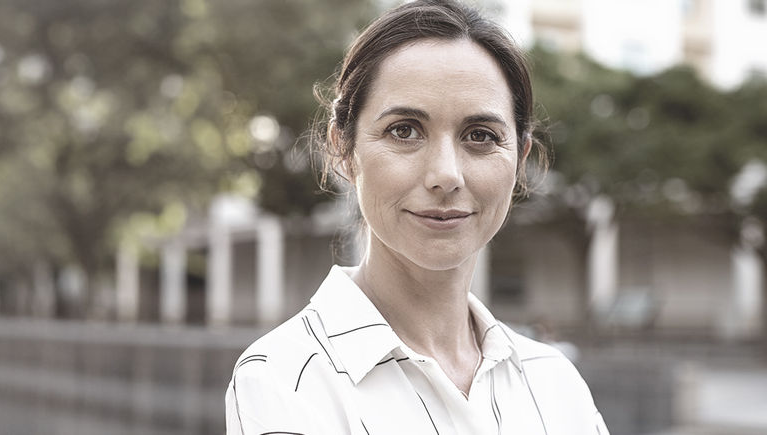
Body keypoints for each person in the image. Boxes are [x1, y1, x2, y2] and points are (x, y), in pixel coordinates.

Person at [224, 1, 609, 434]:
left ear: (519, 159)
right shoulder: (286, 377)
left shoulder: (556, 383)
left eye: (480, 136)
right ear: (343, 150)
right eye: (404, 130)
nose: (446, 174)